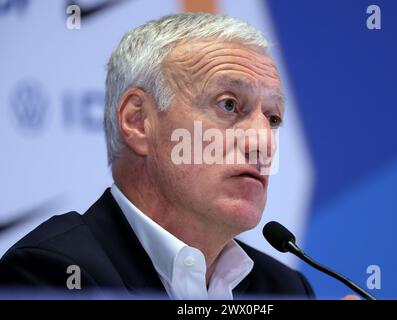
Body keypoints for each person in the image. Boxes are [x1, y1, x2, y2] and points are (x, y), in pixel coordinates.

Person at [0, 13, 314, 299]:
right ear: (138, 122)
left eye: (272, 119)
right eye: (229, 104)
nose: (264, 142)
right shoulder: (53, 272)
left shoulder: (285, 288)